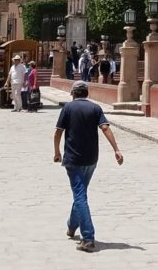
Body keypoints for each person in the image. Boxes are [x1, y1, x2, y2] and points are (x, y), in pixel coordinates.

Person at [53, 80, 124, 252]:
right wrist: (116, 149)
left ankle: (88, 237)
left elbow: (58, 132)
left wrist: (57, 152)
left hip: (74, 159)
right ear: (87, 93)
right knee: (81, 193)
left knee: (80, 196)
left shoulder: (68, 108)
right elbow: (105, 128)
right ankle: (72, 225)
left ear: (73, 93)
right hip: (91, 159)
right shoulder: (95, 108)